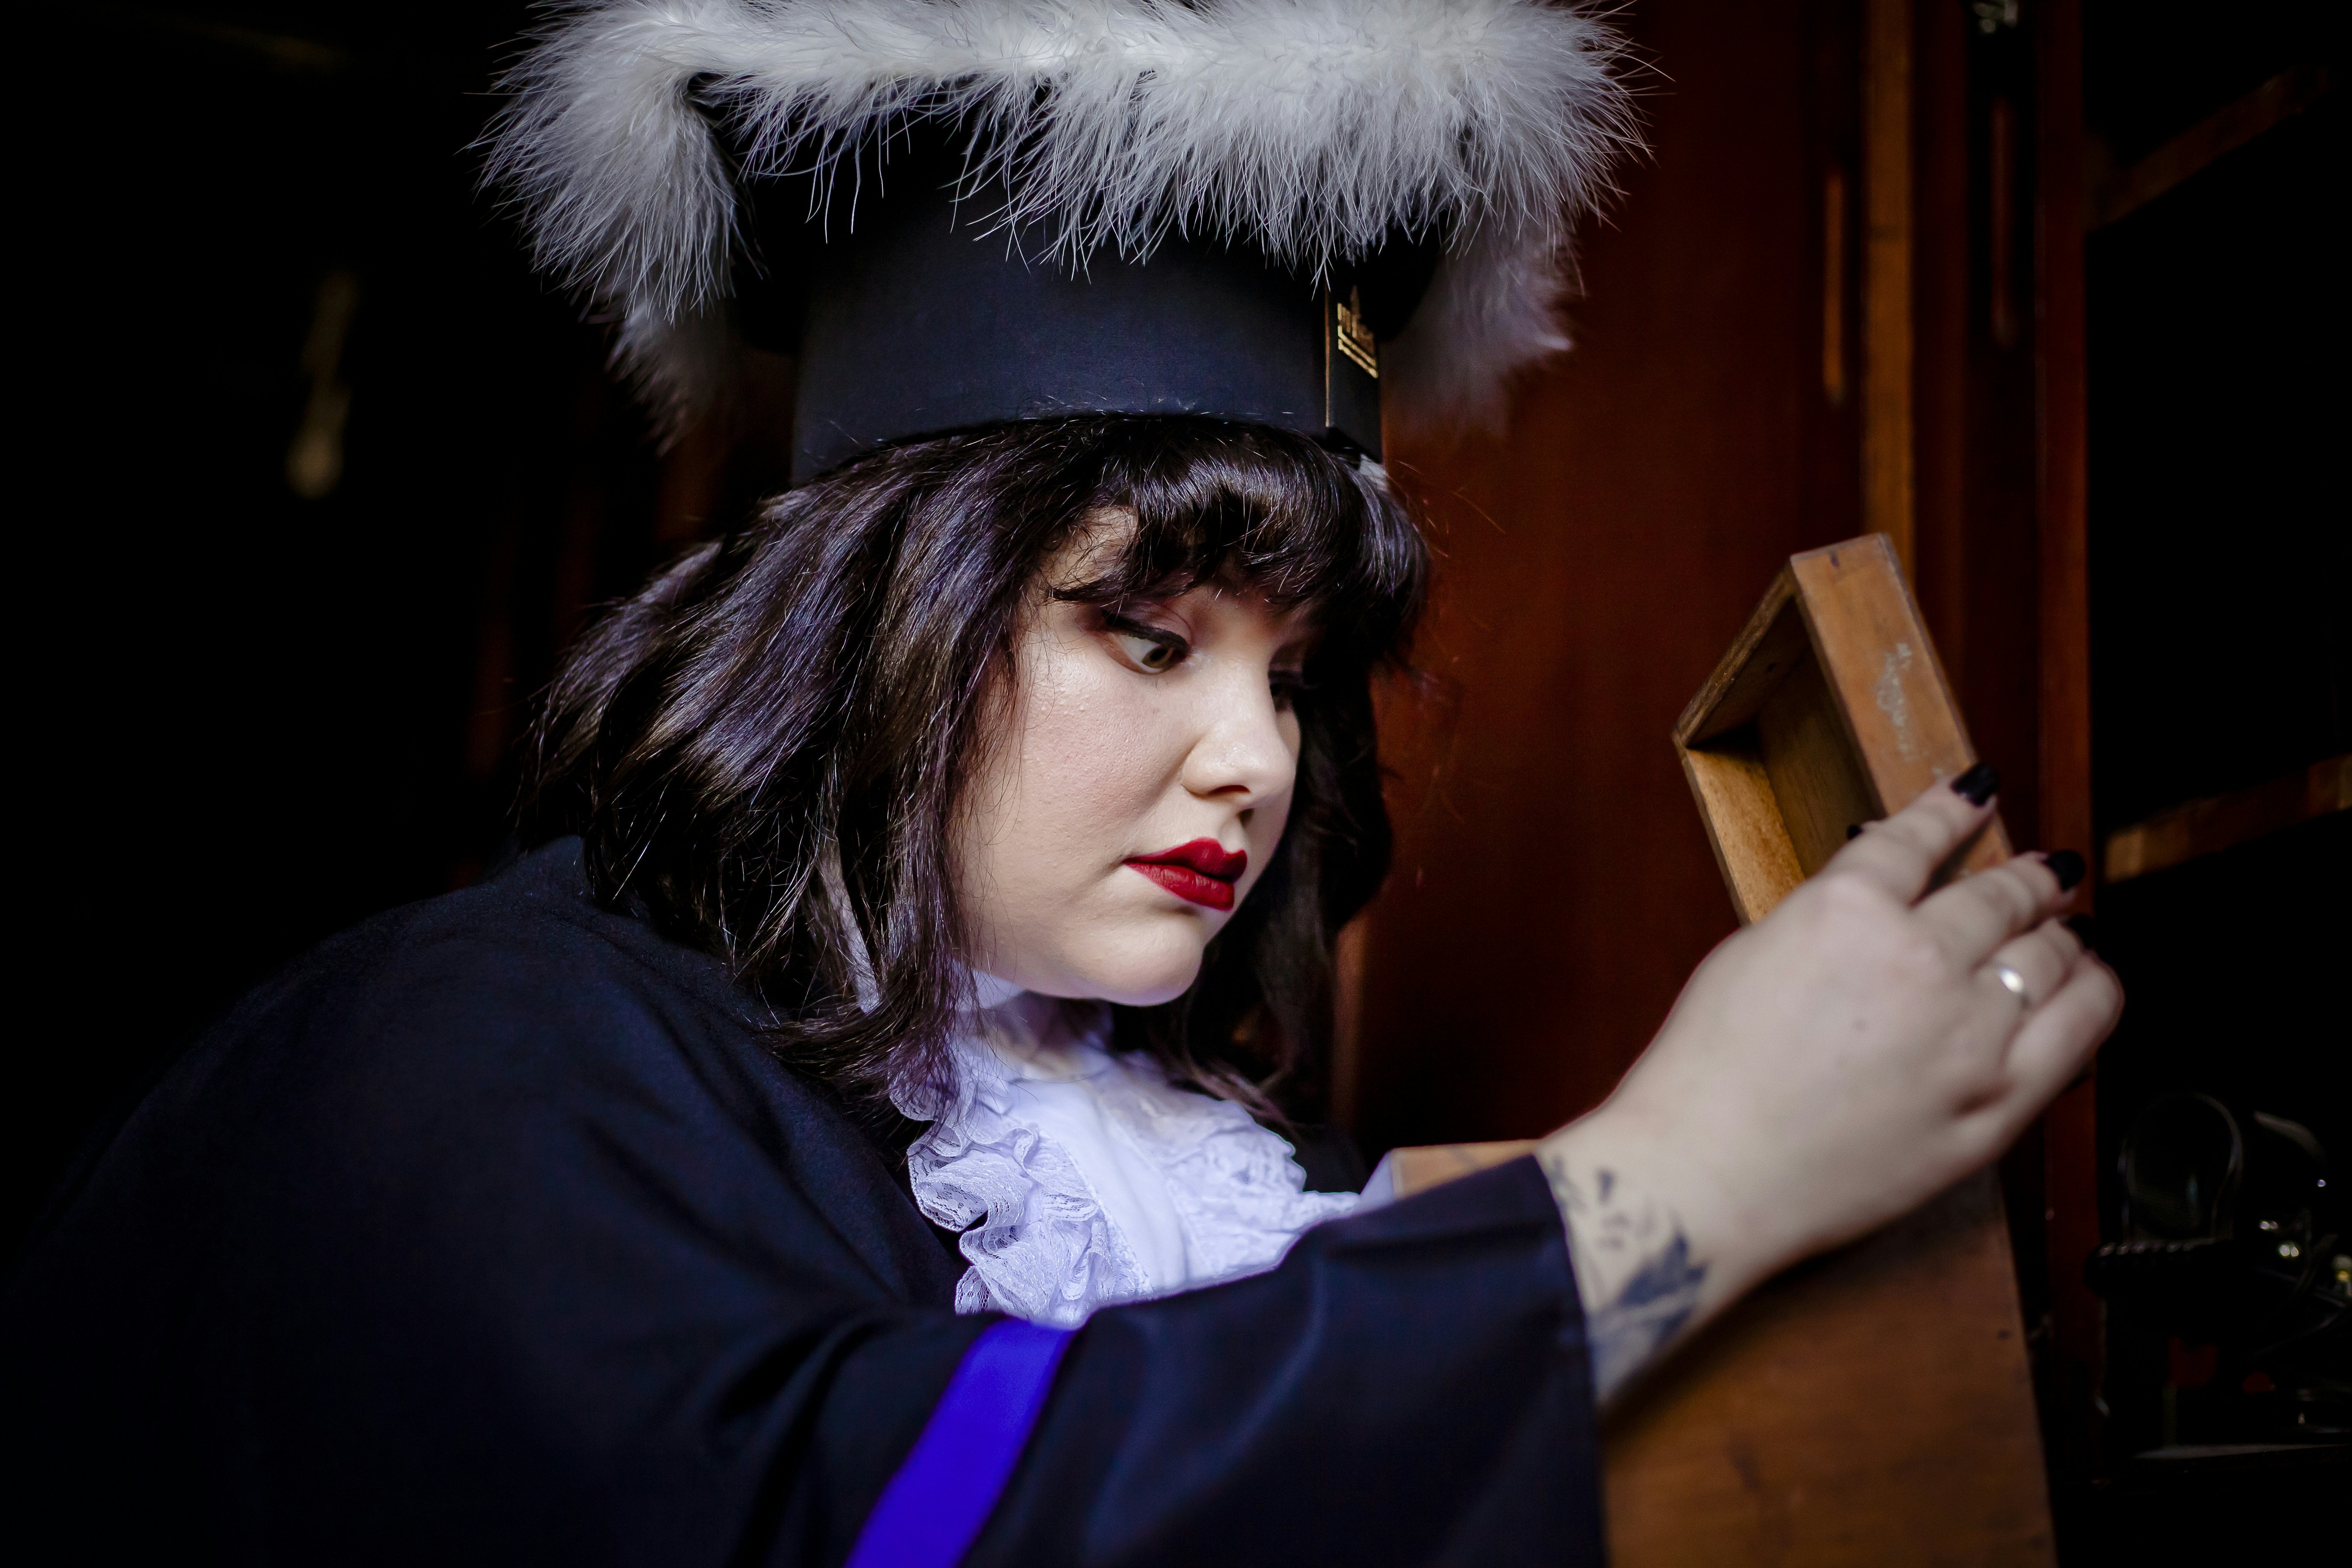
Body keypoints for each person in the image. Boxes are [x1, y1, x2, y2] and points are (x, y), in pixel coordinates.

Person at [1, 4, 2123, 1564]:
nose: (1257, 759)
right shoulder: (464, 1049)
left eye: (1299, 675)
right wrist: (1672, 1187)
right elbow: (845, 1519)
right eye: (1147, 630)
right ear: (868, 617)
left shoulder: (1154, 1130)